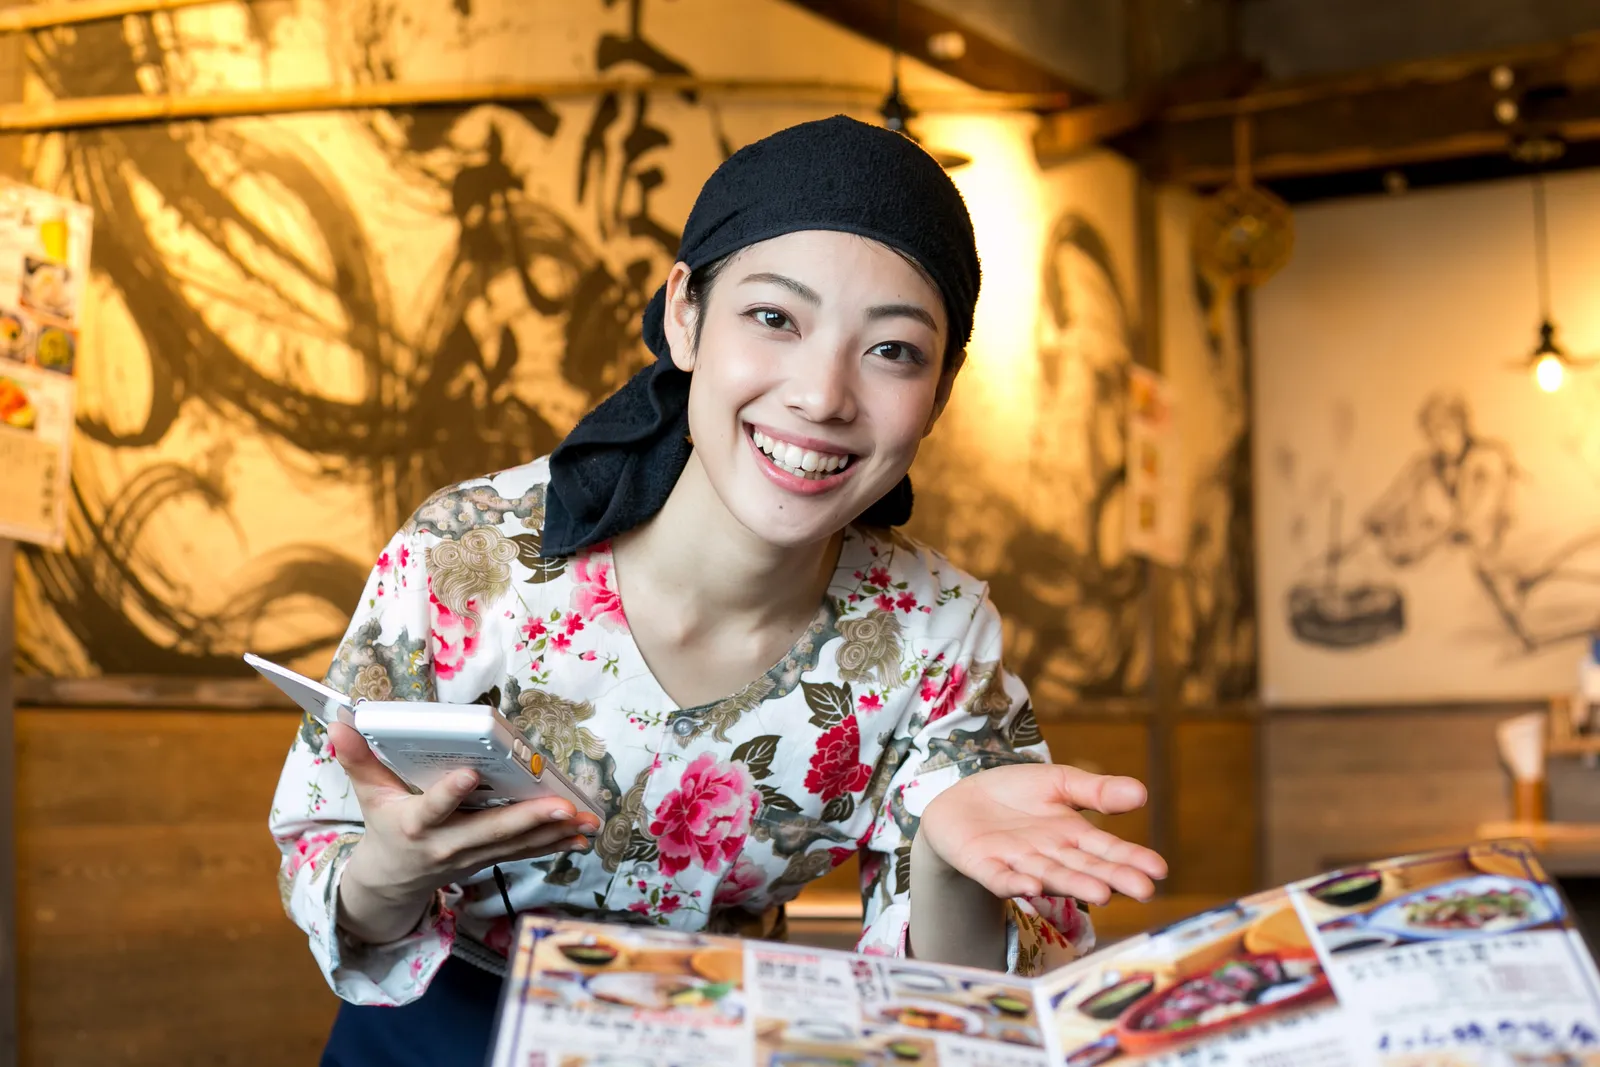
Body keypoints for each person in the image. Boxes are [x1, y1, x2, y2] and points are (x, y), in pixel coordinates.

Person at [269, 115, 1167, 1066]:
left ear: (939, 392)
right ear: (686, 315)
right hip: (439, 1033)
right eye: (775, 317)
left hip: (721, 1037)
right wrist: (391, 868)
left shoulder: (934, 637)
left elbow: (957, 1006)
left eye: (894, 350)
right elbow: (332, 856)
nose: (823, 395)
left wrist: (944, 864)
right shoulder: (470, 554)